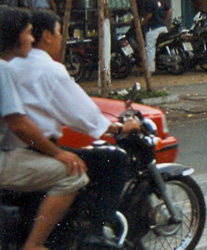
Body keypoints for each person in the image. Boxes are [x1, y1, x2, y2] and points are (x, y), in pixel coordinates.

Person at [8, 10, 145, 247]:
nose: (62, 40)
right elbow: (81, 114)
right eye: (60, 33)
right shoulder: (49, 69)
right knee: (113, 160)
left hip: (19, 149)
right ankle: (95, 231)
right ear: (48, 36)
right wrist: (118, 128)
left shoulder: (11, 65)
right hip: (35, 149)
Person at [0, 8, 89, 250]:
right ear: (13, 36)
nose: (31, 39)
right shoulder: (3, 70)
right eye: (28, 34)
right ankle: (34, 245)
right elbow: (19, 124)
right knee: (73, 175)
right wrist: (58, 153)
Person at [140, 0, 169, 73]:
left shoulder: (149, 2)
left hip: (153, 29)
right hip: (163, 27)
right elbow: (169, 10)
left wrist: (141, 23)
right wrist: (164, 21)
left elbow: (149, 15)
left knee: (150, 48)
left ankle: (150, 69)